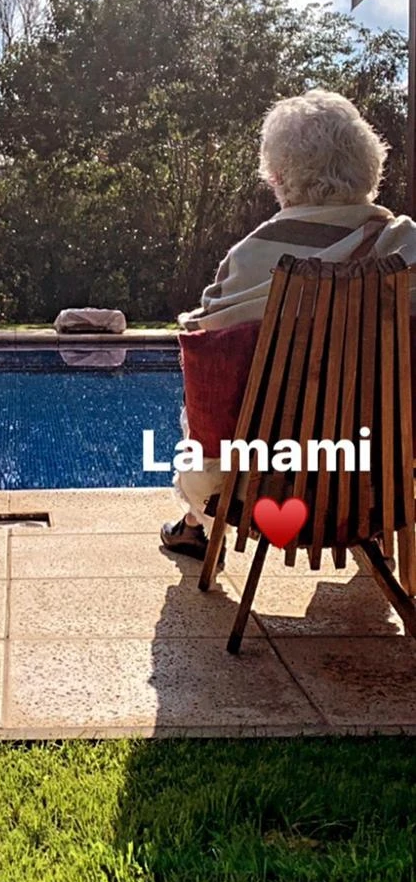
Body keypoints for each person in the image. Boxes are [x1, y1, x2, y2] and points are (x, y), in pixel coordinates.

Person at [161, 88, 416, 560]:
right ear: (368, 163)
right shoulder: (406, 244)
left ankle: (195, 526)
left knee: (199, 405)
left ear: (278, 175)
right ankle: (371, 526)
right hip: (385, 479)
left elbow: (209, 388)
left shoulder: (251, 257)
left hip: (267, 484)